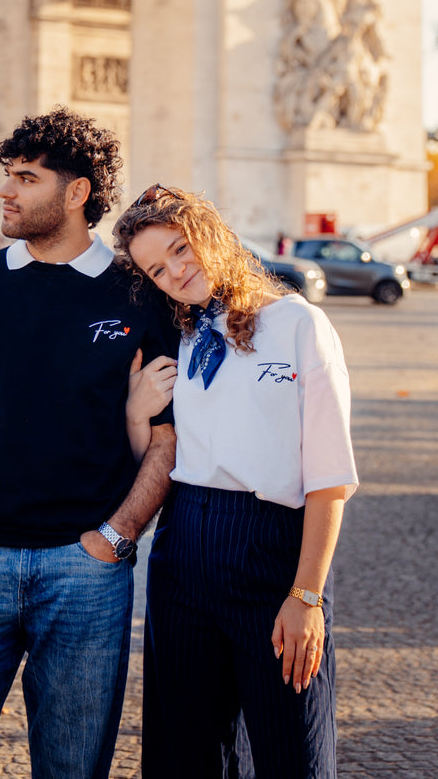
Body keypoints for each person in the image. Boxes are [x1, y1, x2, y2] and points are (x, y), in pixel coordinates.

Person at [0, 108, 178, 779]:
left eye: (26, 177)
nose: (6, 190)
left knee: (73, 772)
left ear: (77, 192)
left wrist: (116, 537)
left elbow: (168, 443)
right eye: (8, 175)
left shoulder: (143, 298)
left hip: (87, 575)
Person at [116, 186, 359, 779]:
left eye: (180, 249)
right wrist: (134, 411)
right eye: (157, 268)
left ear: (211, 236)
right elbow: (161, 460)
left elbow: (330, 479)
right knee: (183, 755)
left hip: (272, 550)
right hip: (183, 553)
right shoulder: (184, 337)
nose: (175, 271)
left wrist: (306, 596)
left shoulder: (301, 324)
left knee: (291, 755)